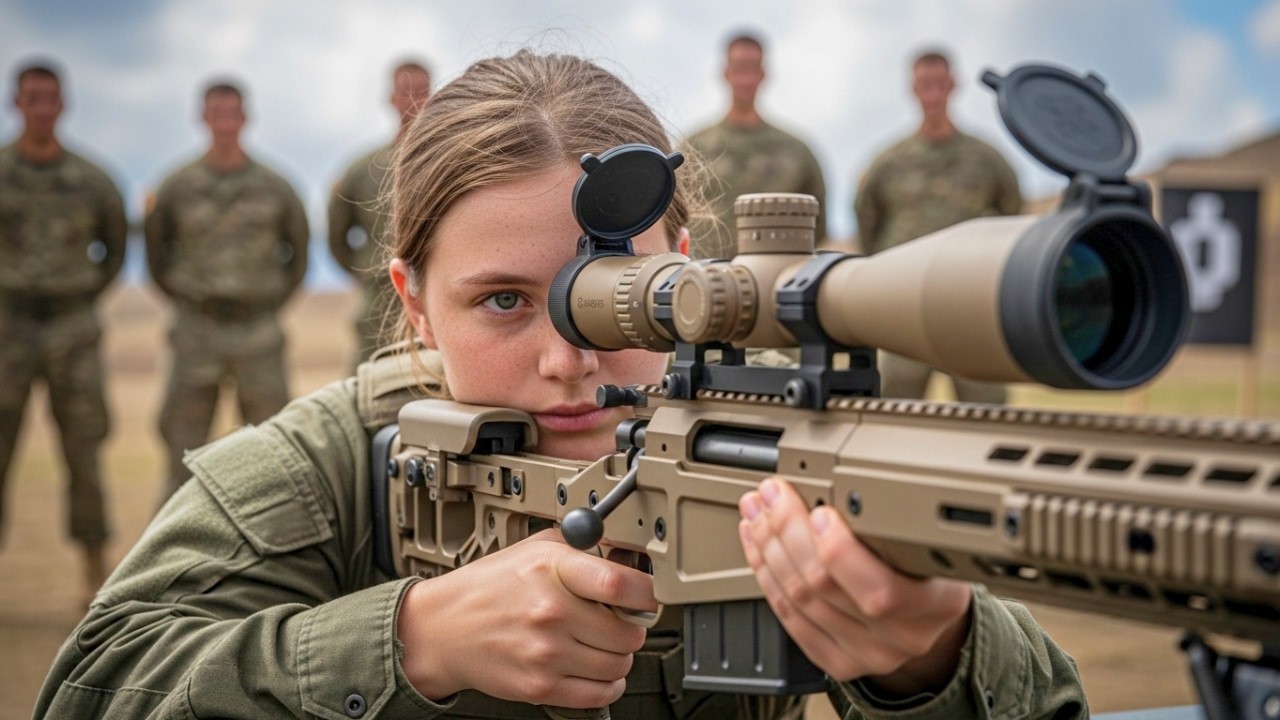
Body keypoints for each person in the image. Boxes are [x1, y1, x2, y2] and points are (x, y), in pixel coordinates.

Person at [35, 50, 1085, 719]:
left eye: (625, 291)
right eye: (501, 301)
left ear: (689, 257)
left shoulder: (778, 439)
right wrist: (413, 639)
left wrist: (929, 658)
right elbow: (93, 691)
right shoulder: (323, 472)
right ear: (411, 299)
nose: (567, 356)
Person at [144, 80, 310, 500]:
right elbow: (156, 257)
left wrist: (263, 301)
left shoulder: (276, 187)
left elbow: (299, 256)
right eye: (216, 114)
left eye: (231, 113)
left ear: (245, 117)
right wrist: (194, 301)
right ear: (203, 118)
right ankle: (173, 558)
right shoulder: (177, 186)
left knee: (273, 451)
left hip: (258, 331)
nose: (224, 123)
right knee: (181, 450)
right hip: (196, 330)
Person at [0, 61, 126, 605]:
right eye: (32, 97)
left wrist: (79, 294)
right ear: (16, 103)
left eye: (50, 97)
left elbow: (114, 249)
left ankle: (93, 575)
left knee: (84, 451)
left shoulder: (92, 181)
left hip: (73, 329)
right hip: (6, 327)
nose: (42, 107)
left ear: (63, 104)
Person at [854, 49, 1022, 403]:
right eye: (924, 84)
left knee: (988, 413)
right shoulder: (887, 164)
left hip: (971, 307)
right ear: (913, 89)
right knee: (891, 412)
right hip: (902, 309)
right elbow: (868, 228)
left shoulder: (987, 160)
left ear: (953, 86)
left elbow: (1011, 223)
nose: (932, 93)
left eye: (939, 83)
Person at [683, 33, 827, 261]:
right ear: (725, 73)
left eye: (751, 68)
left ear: (763, 74)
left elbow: (817, 224)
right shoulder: (693, 149)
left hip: (775, 281)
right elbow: (673, 217)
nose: (745, 78)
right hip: (705, 277)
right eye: (739, 67)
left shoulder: (796, 151)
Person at [328, 60, 432, 372]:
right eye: (405, 91)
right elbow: (337, 239)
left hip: (436, 300)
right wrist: (370, 272)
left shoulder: (453, 165)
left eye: (421, 91)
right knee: (367, 390)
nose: (413, 100)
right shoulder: (362, 170)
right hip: (379, 308)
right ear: (391, 98)